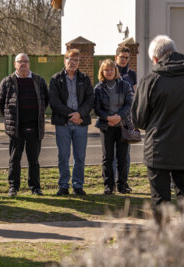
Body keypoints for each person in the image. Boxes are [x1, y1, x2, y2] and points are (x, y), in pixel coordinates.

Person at [132, 35, 184, 223]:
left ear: (156, 59)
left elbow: (138, 120)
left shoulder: (150, 80)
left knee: (160, 201)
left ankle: (163, 242)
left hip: (158, 150)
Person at [0, 53, 49, 197]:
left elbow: (45, 100)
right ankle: (13, 187)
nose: (23, 64)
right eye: (20, 61)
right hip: (16, 128)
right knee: (14, 159)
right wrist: (11, 118)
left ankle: (35, 187)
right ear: (15, 64)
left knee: (34, 160)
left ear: (29, 63)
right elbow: (1, 104)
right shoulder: (7, 82)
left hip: (34, 127)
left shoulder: (39, 80)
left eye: (26, 61)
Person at [49, 49, 94, 196]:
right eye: (69, 59)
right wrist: (71, 115)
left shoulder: (85, 79)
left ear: (79, 62)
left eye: (75, 60)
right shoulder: (56, 79)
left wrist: (80, 114)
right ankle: (63, 186)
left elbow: (90, 100)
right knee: (63, 155)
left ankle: (78, 185)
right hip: (63, 123)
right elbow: (54, 103)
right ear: (64, 61)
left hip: (80, 123)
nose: (72, 62)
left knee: (80, 156)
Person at [94, 59, 133, 194]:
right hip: (106, 127)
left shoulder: (125, 85)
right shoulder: (98, 88)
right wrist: (108, 118)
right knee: (108, 157)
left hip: (122, 126)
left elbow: (129, 104)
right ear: (102, 72)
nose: (109, 72)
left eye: (111, 69)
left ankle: (122, 185)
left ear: (115, 71)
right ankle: (109, 186)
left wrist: (118, 117)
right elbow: (97, 109)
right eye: (106, 70)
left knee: (122, 157)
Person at [114, 46, 138, 193]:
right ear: (116, 57)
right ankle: (111, 183)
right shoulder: (110, 70)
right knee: (111, 155)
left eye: (127, 58)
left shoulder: (132, 74)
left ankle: (124, 182)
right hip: (111, 117)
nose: (124, 60)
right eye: (122, 57)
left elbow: (134, 95)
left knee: (125, 154)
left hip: (126, 118)